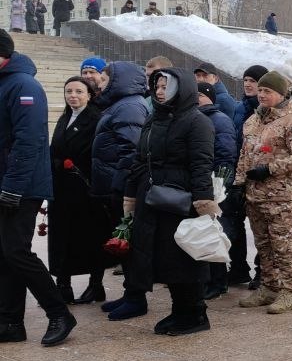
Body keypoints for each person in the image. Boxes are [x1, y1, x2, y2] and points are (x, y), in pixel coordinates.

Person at [123, 67, 218, 335]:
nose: (160, 91)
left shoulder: (197, 122)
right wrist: (131, 194)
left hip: (181, 201)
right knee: (165, 259)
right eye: (158, 86)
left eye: (166, 86)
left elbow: (201, 165)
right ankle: (180, 310)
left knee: (184, 259)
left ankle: (195, 313)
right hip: (153, 199)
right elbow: (141, 159)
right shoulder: (155, 118)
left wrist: (204, 205)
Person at [0, 31, 77, 345]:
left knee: (17, 252)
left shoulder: (24, 85)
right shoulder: (5, 83)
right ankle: (9, 323)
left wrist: (12, 188)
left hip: (21, 186)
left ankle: (59, 313)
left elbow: (30, 141)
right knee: (3, 254)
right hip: (7, 182)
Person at [234, 71, 292, 314]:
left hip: (280, 195)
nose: (262, 95)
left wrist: (270, 169)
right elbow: (244, 155)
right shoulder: (252, 121)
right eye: (261, 90)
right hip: (255, 194)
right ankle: (269, 286)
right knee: (263, 243)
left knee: (283, 243)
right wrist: (238, 184)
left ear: (281, 94)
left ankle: (289, 291)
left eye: (268, 91)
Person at [91, 61, 150, 319]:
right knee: (123, 244)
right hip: (114, 185)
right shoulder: (119, 104)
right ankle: (130, 293)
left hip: (123, 188)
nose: (99, 83)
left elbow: (132, 151)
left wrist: (119, 185)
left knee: (130, 243)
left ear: (118, 81)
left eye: (104, 79)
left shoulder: (129, 106)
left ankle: (136, 298)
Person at [48, 76, 112, 304]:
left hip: (84, 190)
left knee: (90, 238)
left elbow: (92, 152)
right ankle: (63, 286)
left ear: (90, 95)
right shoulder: (64, 117)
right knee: (61, 238)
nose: (73, 96)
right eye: (68, 91)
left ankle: (96, 285)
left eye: (78, 91)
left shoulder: (96, 119)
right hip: (61, 189)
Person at [196, 82, 237, 300]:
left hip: (215, 186)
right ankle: (206, 279)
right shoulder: (192, 118)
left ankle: (218, 281)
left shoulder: (220, 120)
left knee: (216, 233)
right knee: (202, 233)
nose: (197, 98)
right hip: (199, 184)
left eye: (201, 95)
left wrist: (220, 184)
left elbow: (225, 154)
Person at [226, 65, 265, 288]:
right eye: (246, 80)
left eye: (253, 80)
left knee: (261, 227)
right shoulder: (239, 108)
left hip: (262, 177)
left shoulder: (270, 111)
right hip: (239, 173)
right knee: (235, 221)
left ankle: (262, 272)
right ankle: (239, 267)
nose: (248, 84)